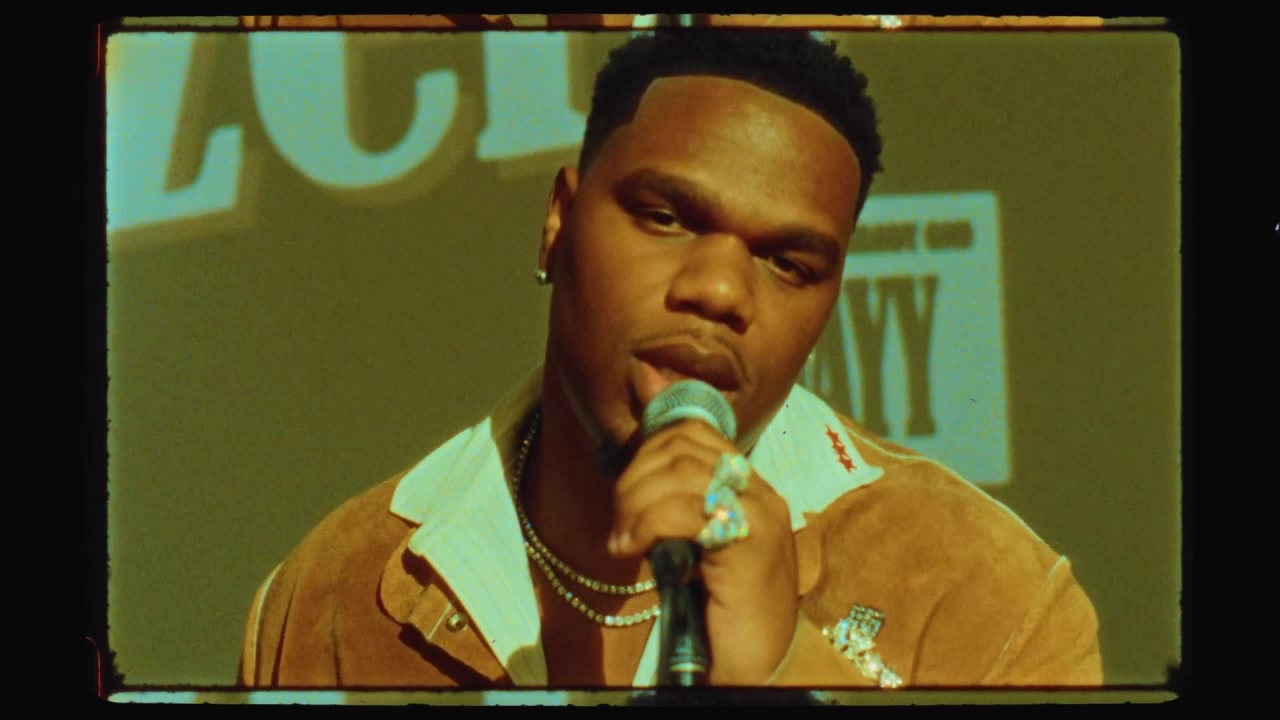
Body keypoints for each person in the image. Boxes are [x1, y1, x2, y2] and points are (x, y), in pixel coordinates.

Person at [238, 29, 1102, 690]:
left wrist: (787, 667)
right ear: (558, 222)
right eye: (667, 218)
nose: (721, 291)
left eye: (788, 263)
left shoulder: (989, 599)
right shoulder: (331, 593)